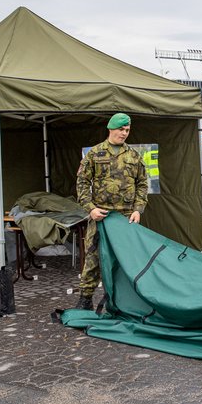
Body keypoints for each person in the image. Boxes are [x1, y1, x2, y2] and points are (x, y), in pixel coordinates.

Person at [73, 113, 149, 310]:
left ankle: (122, 301)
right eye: (121, 129)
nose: (124, 134)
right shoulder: (95, 153)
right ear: (111, 129)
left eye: (127, 130)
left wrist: (138, 210)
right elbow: (82, 183)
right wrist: (90, 209)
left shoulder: (133, 156)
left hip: (125, 218)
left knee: (125, 260)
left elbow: (142, 184)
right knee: (93, 258)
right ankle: (85, 299)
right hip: (101, 217)